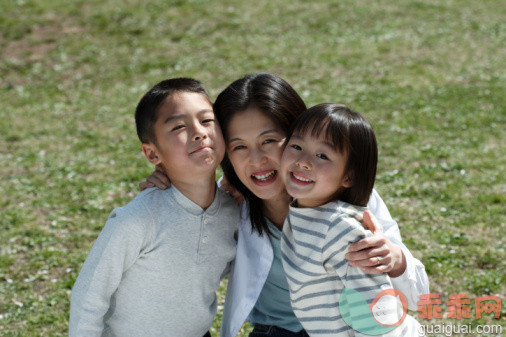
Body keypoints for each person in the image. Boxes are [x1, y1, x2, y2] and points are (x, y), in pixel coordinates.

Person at [141, 73, 429, 337]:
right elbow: (179, 270)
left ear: (297, 137)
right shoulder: (227, 203)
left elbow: (418, 296)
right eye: (239, 146)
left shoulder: (347, 202)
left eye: (269, 141)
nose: (256, 160)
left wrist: (395, 260)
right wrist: (172, 189)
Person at [69, 78, 239, 337]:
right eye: (179, 126)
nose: (199, 132)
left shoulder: (233, 212)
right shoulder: (137, 219)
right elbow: (89, 296)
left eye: (207, 121)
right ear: (152, 154)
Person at [279, 103, 421, 336]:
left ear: (348, 176)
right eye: (296, 146)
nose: (303, 161)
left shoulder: (340, 229)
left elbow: (376, 311)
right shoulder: (300, 213)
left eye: (322, 155)